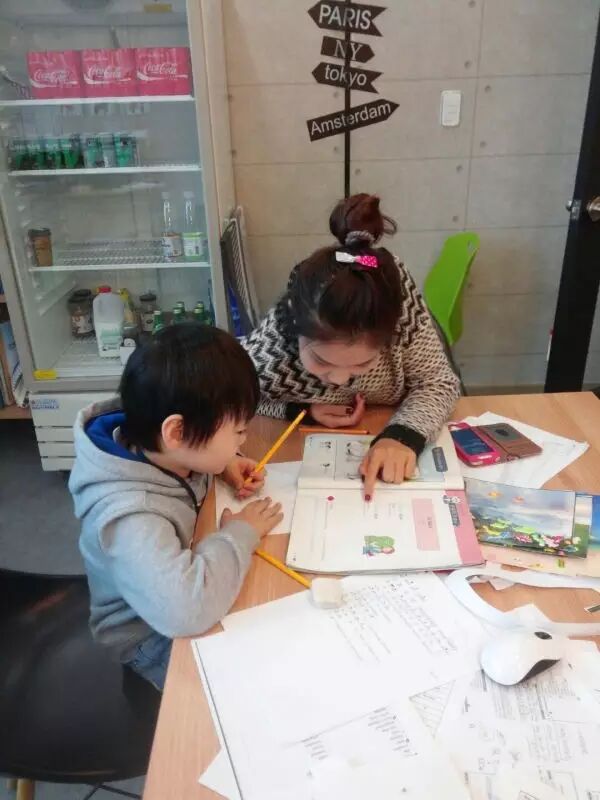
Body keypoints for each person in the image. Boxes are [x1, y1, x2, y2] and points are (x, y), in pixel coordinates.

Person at [69, 323, 282, 690]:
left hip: (173, 581)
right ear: (177, 432)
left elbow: (192, 460)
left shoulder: (158, 444)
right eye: (238, 432)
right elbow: (186, 612)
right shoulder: (133, 515)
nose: (244, 439)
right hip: (148, 634)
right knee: (252, 683)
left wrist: (225, 463)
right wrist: (240, 533)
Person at [242, 193, 461, 499]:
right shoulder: (275, 341)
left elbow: (439, 382)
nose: (341, 378)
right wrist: (299, 410)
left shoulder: (400, 312)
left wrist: (402, 436)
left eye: (362, 363)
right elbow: (234, 395)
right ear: (294, 331)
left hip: (386, 421)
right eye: (322, 360)